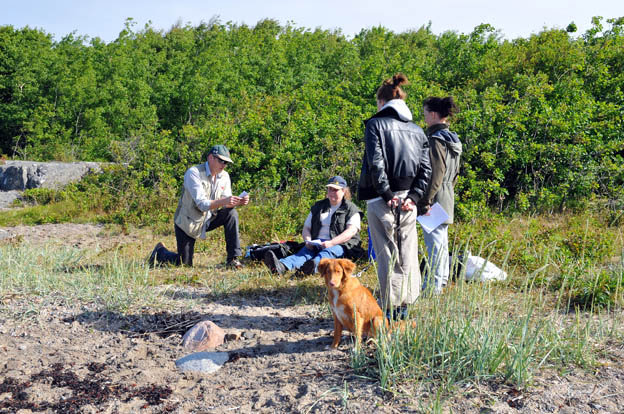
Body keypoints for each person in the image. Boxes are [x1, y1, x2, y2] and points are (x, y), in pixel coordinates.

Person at [358, 73, 432, 319]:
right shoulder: (417, 130)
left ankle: (390, 311)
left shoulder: (375, 125)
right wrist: (414, 196)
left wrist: (388, 194)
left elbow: (376, 164)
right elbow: (426, 170)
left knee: (387, 253)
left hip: (382, 199)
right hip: (409, 199)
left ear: (382, 101)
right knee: (408, 251)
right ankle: (406, 307)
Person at [148, 144, 250, 268]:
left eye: (226, 162)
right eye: (221, 161)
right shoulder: (194, 173)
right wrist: (225, 201)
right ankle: (160, 252)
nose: (223, 165)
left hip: (209, 217)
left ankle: (233, 260)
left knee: (232, 213)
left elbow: (225, 204)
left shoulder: (225, 176)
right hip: (189, 222)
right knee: (184, 264)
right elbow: (202, 204)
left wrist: (239, 202)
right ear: (210, 158)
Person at [263, 176, 362, 276]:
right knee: (304, 253)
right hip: (317, 242)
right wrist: (308, 240)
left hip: (341, 245)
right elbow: (306, 228)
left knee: (327, 253)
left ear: (344, 191)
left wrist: (331, 243)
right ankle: (281, 266)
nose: (331, 192)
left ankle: (311, 267)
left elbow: (351, 232)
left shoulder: (351, 208)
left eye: (335, 190)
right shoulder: (318, 206)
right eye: (329, 189)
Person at [419, 96, 462, 294]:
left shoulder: (436, 139)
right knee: (441, 242)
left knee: (434, 245)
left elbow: (436, 172)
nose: (424, 117)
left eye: (426, 113)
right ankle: (442, 280)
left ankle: (433, 287)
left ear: (434, 114)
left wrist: (426, 201)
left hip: (435, 196)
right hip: (448, 194)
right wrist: (448, 190)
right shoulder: (453, 138)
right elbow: (455, 173)